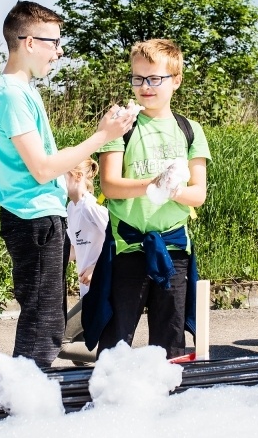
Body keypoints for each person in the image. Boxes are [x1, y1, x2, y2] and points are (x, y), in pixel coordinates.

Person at [0, 0, 134, 367]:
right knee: (44, 320)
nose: (59, 51)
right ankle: (22, 404)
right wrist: (102, 136)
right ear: (29, 42)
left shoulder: (23, 92)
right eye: (54, 42)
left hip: (39, 216)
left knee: (45, 317)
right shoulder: (11, 94)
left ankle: (24, 397)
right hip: (32, 217)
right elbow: (41, 168)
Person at [85, 38, 211, 359]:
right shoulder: (122, 125)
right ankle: (109, 403)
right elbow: (111, 185)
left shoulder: (190, 129)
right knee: (115, 344)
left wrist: (173, 189)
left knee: (170, 347)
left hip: (173, 252)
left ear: (176, 80)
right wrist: (153, 183)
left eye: (155, 78)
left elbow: (198, 194)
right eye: (138, 78)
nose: (145, 86)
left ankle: (171, 403)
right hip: (127, 249)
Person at [66, 159, 108, 299]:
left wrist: (96, 267)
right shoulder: (71, 208)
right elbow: (74, 248)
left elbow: (115, 239)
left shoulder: (91, 206)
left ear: (78, 176)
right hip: (86, 290)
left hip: (103, 286)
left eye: (61, 175)